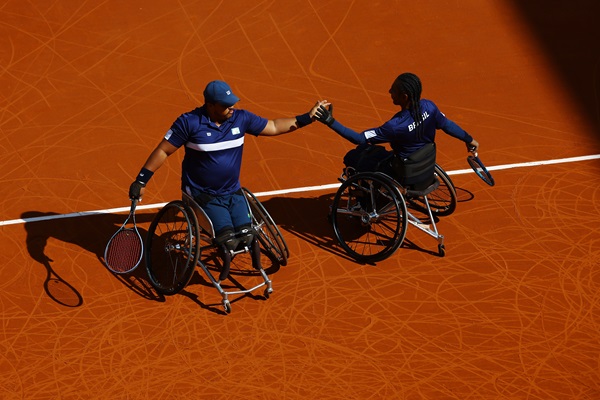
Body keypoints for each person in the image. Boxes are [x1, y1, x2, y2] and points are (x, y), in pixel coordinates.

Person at [129, 80, 325, 277]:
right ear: (210, 105)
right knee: (228, 239)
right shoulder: (189, 123)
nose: (231, 107)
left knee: (248, 234)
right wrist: (141, 180)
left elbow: (273, 126)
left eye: (232, 102)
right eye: (225, 104)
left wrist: (307, 118)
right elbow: (163, 150)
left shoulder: (240, 118)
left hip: (233, 192)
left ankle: (252, 261)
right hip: (202, 195)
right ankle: (223, 269)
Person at [314, 72, 479, 179]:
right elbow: (448, 125)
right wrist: (469, 139)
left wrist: (330, 122)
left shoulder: (395, 126)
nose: (389, 92)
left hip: (403, 171)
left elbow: (358, 138)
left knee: (353, 156)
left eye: (393, 90)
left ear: (404, 96)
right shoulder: (430, 107)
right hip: (425, 164)